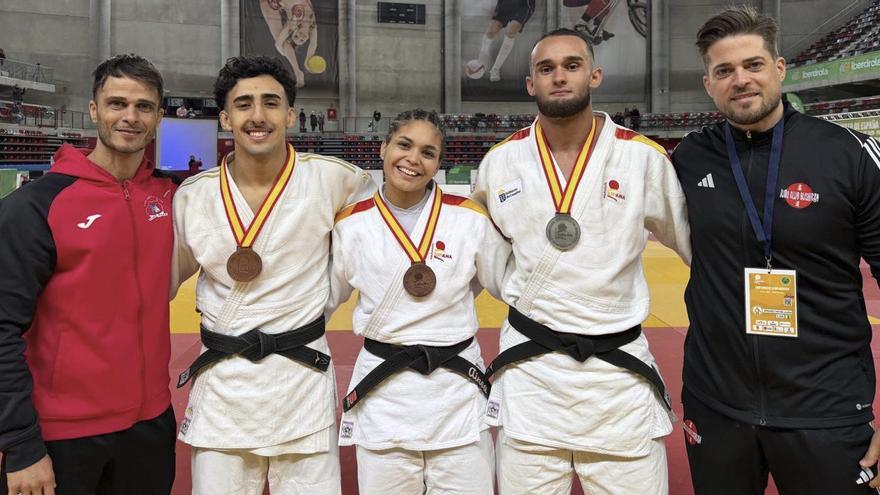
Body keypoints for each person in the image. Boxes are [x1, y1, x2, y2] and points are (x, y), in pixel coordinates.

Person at [472, 28, 690, 494]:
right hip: (532, 377)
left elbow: (698, 249)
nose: (559, 77)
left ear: (594, 74)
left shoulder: (642, 158)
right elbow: (485, 261)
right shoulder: (501, 162)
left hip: (618, 378)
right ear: (531, 84)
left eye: (571, 65)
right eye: (545, 69)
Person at [672, 6, 880, 494]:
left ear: (780, 69)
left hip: (826, 411)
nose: (740, 80)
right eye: (724, 70)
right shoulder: (687, 159)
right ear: (708, 84)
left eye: (753, 65)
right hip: (716, 407)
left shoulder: (849, 154)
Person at [171, 55, 374, 495]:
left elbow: (376, 244)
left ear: (291, 114)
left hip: (301, 381)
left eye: (270, 102)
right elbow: (161, 283)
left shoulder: (336, 181)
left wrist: (325, 298)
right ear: (225, 117)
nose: (257, 116)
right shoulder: (193, 197)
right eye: (243, 104)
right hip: (224, 388)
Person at [0, 54, 178, 495]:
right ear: (95, 109)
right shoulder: (37, 205)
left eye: (144, 106)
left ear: (158, 116)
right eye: (117, 103)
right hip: (62, 433)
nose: (130, 117)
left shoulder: (171, 196)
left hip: (150, 425)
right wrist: (21, 444)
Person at [328, 109, 511, 494]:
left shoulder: (469, 218)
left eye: (428, 153)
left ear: (438, 164)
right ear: (383, 149)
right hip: (384, 393)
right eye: (404, 145)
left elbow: (502, 281)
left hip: (456, 389)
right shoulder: (351, 223)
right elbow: (325, 297)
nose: (413, 159)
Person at [471, 0, 536, 82]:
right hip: (505, 3)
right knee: (491, 30)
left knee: (512, 30)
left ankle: (495, 69)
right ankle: (481, 60)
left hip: (524, 4)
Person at [259, 0, 318, 89]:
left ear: (293, 32)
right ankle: (298, 72)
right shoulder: (312, 25)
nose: (301, 36)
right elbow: (313, 44)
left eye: (296, 36)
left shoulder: (293, 24)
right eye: (302, 40)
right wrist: (307, 60)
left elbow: (278, 43)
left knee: (280, 39)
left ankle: (297, 71)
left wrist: (280, 49)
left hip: (269, 3)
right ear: (308, 38)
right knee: (281, 42)